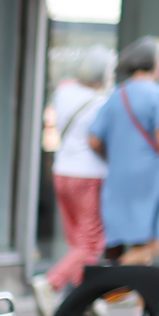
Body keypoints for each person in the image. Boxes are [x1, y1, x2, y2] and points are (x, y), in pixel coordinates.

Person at [89, 36, 159, 267]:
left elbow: (94, 140)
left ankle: (145, 303)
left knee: (131, 247)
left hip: (118, 180)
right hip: (149, 181)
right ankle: (102, 281)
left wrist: (118, 156)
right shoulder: (158, 94)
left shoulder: (116, 94)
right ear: (153, 63)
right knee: (152, 245)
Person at [39, 47, 112, 298]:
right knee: (90, 243)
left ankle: (81, 298)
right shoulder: (101, 102)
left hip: (62, 172)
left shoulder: (64, 92)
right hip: (89, 175)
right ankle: (51, 283)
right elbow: (96, 142)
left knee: (76, 243)